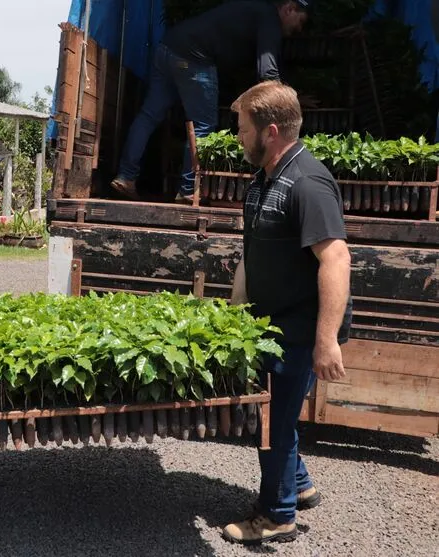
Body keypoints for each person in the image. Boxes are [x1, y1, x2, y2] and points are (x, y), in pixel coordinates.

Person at [221, 81, 351, 544]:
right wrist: (234, 317)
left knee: (272, 421)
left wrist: (326, 339)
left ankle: (277, 516)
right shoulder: (263, 181)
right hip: (268, 324)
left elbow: (335, 258)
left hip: (297, 330)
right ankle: (297, 484)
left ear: (270, 131)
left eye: (242, 130)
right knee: (280, 412)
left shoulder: (308, 182)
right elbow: (251, 253)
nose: (237, 138)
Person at [111, 0, 310, 203]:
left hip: (168, 47)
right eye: (300, 21)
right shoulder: (270, 19)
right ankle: (188, 190)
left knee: (149, 116)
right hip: (194, 57)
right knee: (202, 124)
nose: (298, 29)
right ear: (289, 8)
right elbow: (267, 72)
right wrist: (289, 102)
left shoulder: (255, 10)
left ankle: (126, 176)